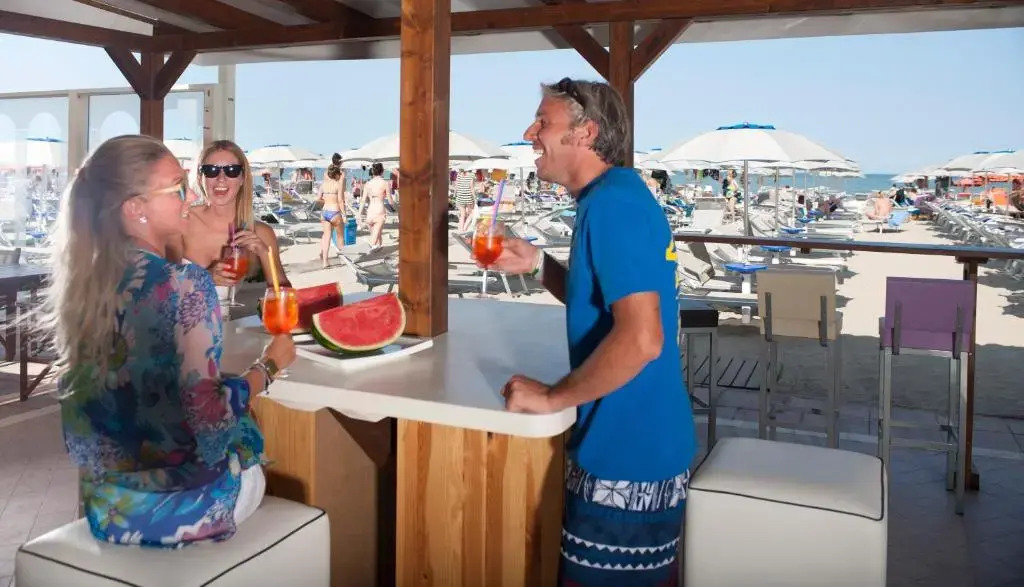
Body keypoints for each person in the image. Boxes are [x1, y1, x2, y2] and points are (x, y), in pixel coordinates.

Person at [484, 78, 695, 585]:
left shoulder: (613, 205)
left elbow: (642, 339)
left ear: (586, 133)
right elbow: (601, 301)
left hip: (629, 451)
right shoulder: (610, 196)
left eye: (543, 121)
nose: (530, 132)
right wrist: (538, 264)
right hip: (630, 442)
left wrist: (553, 397)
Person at [45, 135, 296, 547]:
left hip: (107, 509)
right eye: (179, 188)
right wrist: (268, 367)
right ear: (135, 209)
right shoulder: (185, 282)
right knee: (251, 433)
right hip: (185, 513)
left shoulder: (84, 282)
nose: (191, 196)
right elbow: (209, 416)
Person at [172, 140, 291, 315]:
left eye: (232, 170)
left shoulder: (260, 232)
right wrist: (204, 278)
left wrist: (265, 255)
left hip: (227, 328)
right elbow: (153, 287)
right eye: (211, 170)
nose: (221, 178)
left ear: (242, 178)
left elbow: (286, 303)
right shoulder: (181, 222)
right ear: (200, 177)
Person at [358, 162, 395, 248]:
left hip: (370, 211)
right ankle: (367, 252)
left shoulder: (367, 184)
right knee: (373, 240)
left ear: (373, 172)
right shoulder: (385, 183)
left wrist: (359, 214)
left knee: (377, 235)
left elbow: (363, 200)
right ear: (382, 171)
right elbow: (390, 200)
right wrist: (395, 208)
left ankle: (379, 250)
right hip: (379, 211)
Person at [318, 155, 347, 268]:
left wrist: (325, 200)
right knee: (340, 237)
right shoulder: (338, 185)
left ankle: (325, 261)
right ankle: (343, 260)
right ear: (336, 175)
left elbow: (318, 198)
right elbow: (340, 200)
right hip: (335, 212)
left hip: (325, 212)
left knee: (326, 237)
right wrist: (344, 215)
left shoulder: (323, 185)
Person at [453, 168, 477, 232]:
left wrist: (455, 194)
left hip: (460, 197)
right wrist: (474, 197)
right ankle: (465, 227)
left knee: (462, 215)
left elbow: (456, 186)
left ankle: (461, 229)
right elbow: (471, 187)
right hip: (468, 196)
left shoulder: (459, 174)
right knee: (471, 213)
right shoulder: (471, 175)